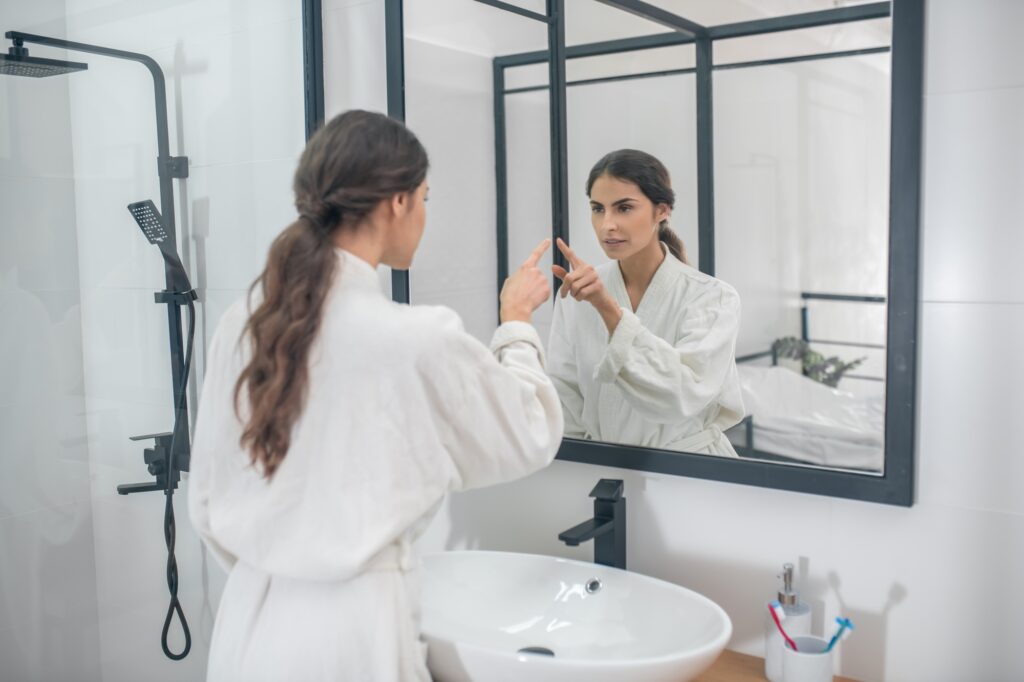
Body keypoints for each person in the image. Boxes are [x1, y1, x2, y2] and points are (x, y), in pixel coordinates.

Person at [187, 110, 562, 681]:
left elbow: (207, 506)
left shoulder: (244, 322)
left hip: (248, 630)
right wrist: (517, 322)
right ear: (398, 203)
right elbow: (528, 432)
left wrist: (282, 565)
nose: (425, 215)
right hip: (352, 638)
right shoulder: (414, 337)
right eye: (426, 197)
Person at [547, 148, 743, 456]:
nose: (606, 225)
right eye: (598, 209)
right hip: (603, 468)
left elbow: (681, 396)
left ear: (661, 210)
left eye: (624, 208)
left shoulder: (712, 298)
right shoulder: (578, 296)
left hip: (691, 473)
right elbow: (564, 397)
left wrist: (607, 308)